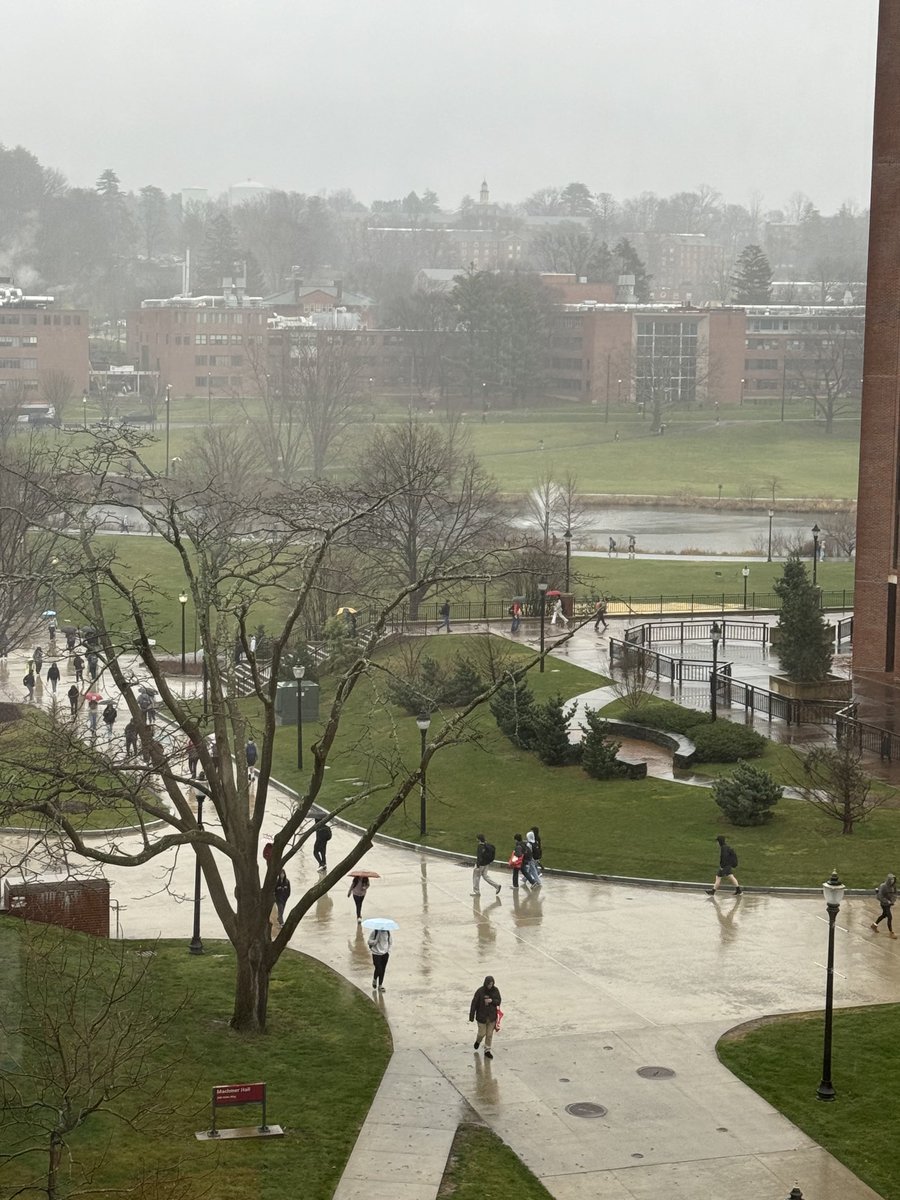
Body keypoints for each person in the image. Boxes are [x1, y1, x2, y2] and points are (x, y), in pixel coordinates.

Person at [469, 975, 502, 1060]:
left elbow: (499, 1001)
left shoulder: (495, 990)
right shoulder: (480, 991)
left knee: (489, 1035)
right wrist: (471, 1016)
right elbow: (474, 1004)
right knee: (482, 1033)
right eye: (489, 984)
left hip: (492, 1017)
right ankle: (478, 1041)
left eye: (492, 984)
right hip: (481, 1017)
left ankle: (487, 1050)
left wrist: (492, 1001)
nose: (490, 986)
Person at [871, 873, 897, 938]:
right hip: (884, 904)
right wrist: (886, 901)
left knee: (884, 915)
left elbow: (895, 894)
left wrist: (893, 901)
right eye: (891, 880)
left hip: (889, 903)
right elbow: (880, 896)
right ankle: (891, 932)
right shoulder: (883, 886)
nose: (892, 881)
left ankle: (874, 925)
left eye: (893, 880)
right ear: (888, 880)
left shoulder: (893, 886)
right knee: (889, 917)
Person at [368, 926, 392, 991]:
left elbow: (390, 942)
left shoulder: (388, 932)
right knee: (379, 968)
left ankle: (380, 985)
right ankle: (375, 979)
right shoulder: (375, 932)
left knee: (383, 969)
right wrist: (375, 941)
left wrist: (388, 950)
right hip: (376, 953)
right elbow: (369, 941)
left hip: (385, 954)